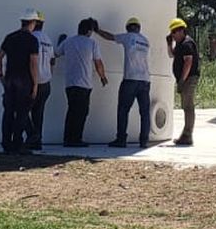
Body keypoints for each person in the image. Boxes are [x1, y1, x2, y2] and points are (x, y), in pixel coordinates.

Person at [96, 16, 151, 147]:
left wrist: (96, 30)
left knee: (123, 109)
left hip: (130, 79)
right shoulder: (145, 41)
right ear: (139, 28)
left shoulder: (128, 37)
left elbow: (110, 37)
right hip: (145, 80)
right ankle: (144, 141)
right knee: (144, 112)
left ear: (128, 28)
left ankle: (121, 139)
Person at [53, 17, 108, 147]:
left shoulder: (68, 42)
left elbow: (55, 53)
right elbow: (98, 62)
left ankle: (68, 138)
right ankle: (76, 139)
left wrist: (61, 41)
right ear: (89, 31)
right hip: (84, 83)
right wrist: (103, 76)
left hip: (70, 83)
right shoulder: (91, 43)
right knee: (82, 112)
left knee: (71, 110)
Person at [0, 9, 41, 155]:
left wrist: (1, 75)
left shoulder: (10, 37)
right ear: (32, 23)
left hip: (10, 79)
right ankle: (17, 144)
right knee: (22, 113)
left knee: (8, 112)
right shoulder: (32, 40)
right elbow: (33, 63)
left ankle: (6, 144)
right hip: (25, 80)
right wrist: (35, 84)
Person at [166, 17, 199, 146]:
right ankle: (186, 135)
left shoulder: (186, 44)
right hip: (185, 78)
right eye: (172, 32)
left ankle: (187, 135)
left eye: (174, 32)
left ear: (181, 31)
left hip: (189, 78)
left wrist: (182, 80)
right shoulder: (181, 44)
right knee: (186, 106)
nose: (172, 35)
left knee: (188, 106)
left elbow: (188, 62)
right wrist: (169, 44)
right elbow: (172, 55)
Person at [28, 12, 56, 150]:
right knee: (38, 113)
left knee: (23, 112)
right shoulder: (48, 40)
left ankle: (29, 139)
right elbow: (52, 60)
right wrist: (50, 74)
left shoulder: (31, 38)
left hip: (33, 81)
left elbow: (30, 60)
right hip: (46, 81)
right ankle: (37, 141)